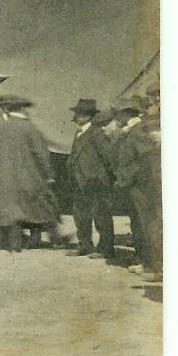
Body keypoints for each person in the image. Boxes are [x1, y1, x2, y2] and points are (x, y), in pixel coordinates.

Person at [0, 95, 69, 252]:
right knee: (44, 206)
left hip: (8, 177)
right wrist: (48, 174)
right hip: (30, 175)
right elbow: (41, 154)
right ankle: (56, 240)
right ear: (21, 109)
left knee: (13, 210)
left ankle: (14, 245)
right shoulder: (29, 127)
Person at [112, 99, 162, 281]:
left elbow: (145, 160)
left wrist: (128, 179)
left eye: (117, 114)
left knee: (149, 224)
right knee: (139, 224)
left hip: (142, 185)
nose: (116, 118)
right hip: (134, 185)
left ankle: (156, 267)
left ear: (126, 114)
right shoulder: (130, 131)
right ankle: (146, 262)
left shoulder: (139, 130)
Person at [66, 99, 116, 259]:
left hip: (96, 181)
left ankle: (106, 248)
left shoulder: (97, 133)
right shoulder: (79, 132)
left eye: (79, 113)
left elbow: (108, 156)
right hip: (79, 180)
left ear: (87, 116)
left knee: (101, 215)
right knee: (80, 216)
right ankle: (85, 245)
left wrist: (106, 176)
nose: (76, 116)